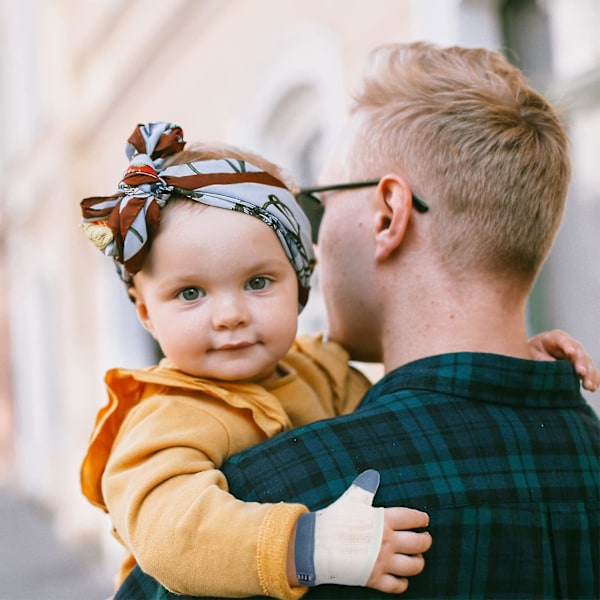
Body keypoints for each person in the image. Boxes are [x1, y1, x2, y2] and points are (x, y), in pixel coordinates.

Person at [115, 41, 600, 600]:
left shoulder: (271, 500)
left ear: (388, 215)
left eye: (321, 203)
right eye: (192, 292)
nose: (315, 245)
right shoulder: (580, 450)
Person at [79, 121, 433, 599]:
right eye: (190, 293)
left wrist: (515, 350)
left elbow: (404, 373)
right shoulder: (168, 415)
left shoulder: (318, 368)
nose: (230, 316)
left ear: (300, 284)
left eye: (258, 283)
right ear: (145, 312)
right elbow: (175, 535)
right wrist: (309, 546)